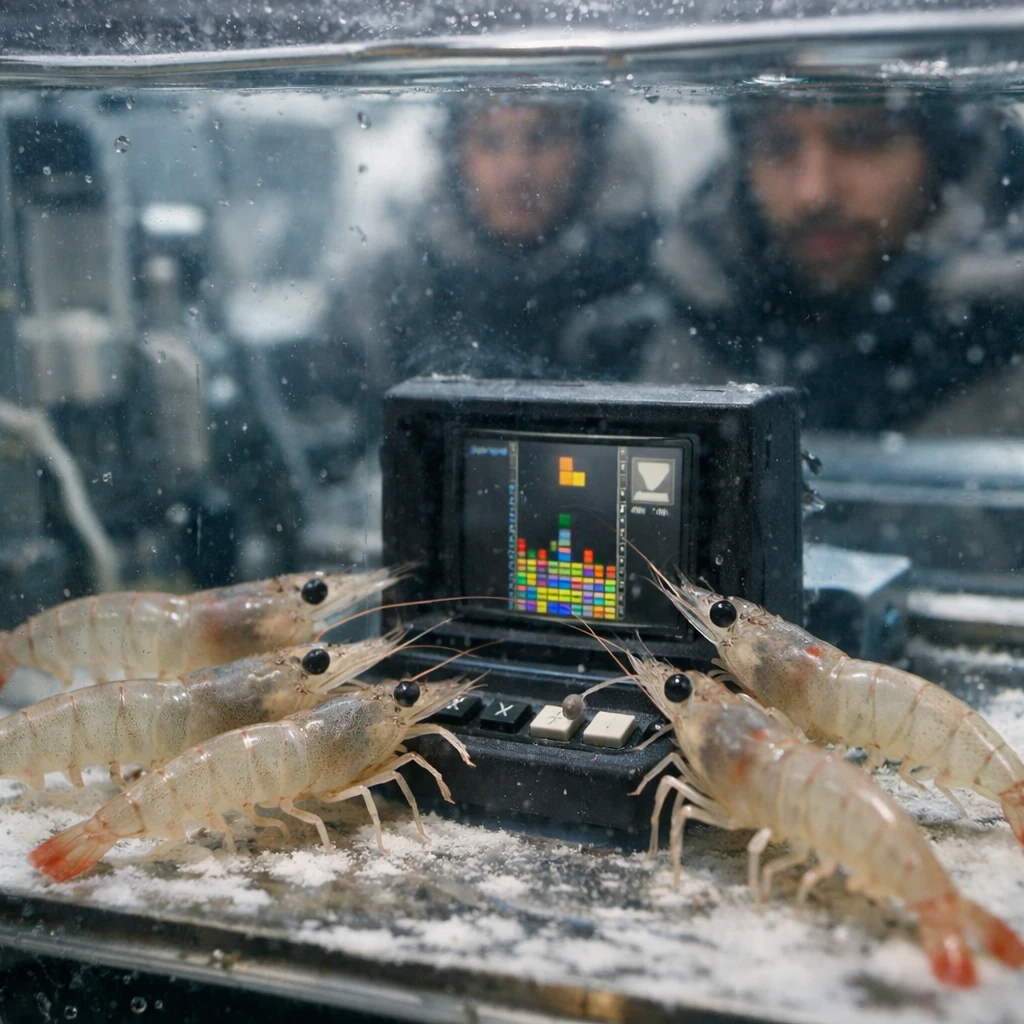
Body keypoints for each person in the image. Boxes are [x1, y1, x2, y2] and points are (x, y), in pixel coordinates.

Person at [650, 97, 1024, 433]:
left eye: (862, 139)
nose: (814, 194)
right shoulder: (677, 333)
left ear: (946, 157)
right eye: (778, 146)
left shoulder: (1010, 336)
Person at [342, 96, 668, 395]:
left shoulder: (659, 279)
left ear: (590, 150)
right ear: (456, 154)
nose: (517, 168)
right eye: (490, 140)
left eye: (543, 136)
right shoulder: (391, 292)